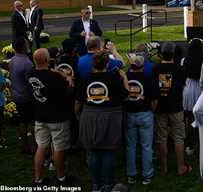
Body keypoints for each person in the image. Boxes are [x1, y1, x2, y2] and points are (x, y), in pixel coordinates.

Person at [75, 51, 129, 192]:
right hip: (109, 117)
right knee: (108, 151)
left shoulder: (86, 78)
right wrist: (124, 78)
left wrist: (77, 114)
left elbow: (78, 101)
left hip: (89, 116)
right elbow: (125, 96)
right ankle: (108, 184)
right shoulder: (114, 78)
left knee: (93, 151)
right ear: (107, 64)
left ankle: (96, 184)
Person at [29, 48, 72, 186]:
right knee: (59, 148)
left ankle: (38, 179)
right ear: (48, 60)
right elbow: (68, 88)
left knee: (41, 147)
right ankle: (61, 178)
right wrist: (67, 77)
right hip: (57, 117)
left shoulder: (30, 74)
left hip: (40, 116)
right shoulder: (54, 77)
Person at [153, 42, 190, 176]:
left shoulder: (155, 68)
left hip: (160, 107)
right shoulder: (180, 69)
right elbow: (182, 86)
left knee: (161, 138)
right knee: (179, 137)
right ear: (174, 54)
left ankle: (164, 168)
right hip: (176, 107)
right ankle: (181, 167)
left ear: (161, 54)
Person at [124, 54, 159, 185]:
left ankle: (131, 175)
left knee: (131, 146)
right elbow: (155, 99)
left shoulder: (125, 78)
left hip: (130, 114)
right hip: (145, 114)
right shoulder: (149, 77)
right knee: (146, 146)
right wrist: (151, 111)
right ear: (142, 66)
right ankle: (147, 175)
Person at [9, 37, 35, 154]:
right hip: (26, 97)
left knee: (22, 120)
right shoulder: (27, 63)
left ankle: (24, 144)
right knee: (29, 122)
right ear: (23, 47)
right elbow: (30, 82)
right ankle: (31, 146)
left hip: (16, 94)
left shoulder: (13, 60)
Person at [182, 38, 203, 156]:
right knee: (202, 118)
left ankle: (190, 145)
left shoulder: (185, 60)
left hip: (188, 88)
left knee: (190, 118)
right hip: (200, 89)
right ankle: (201, 143)